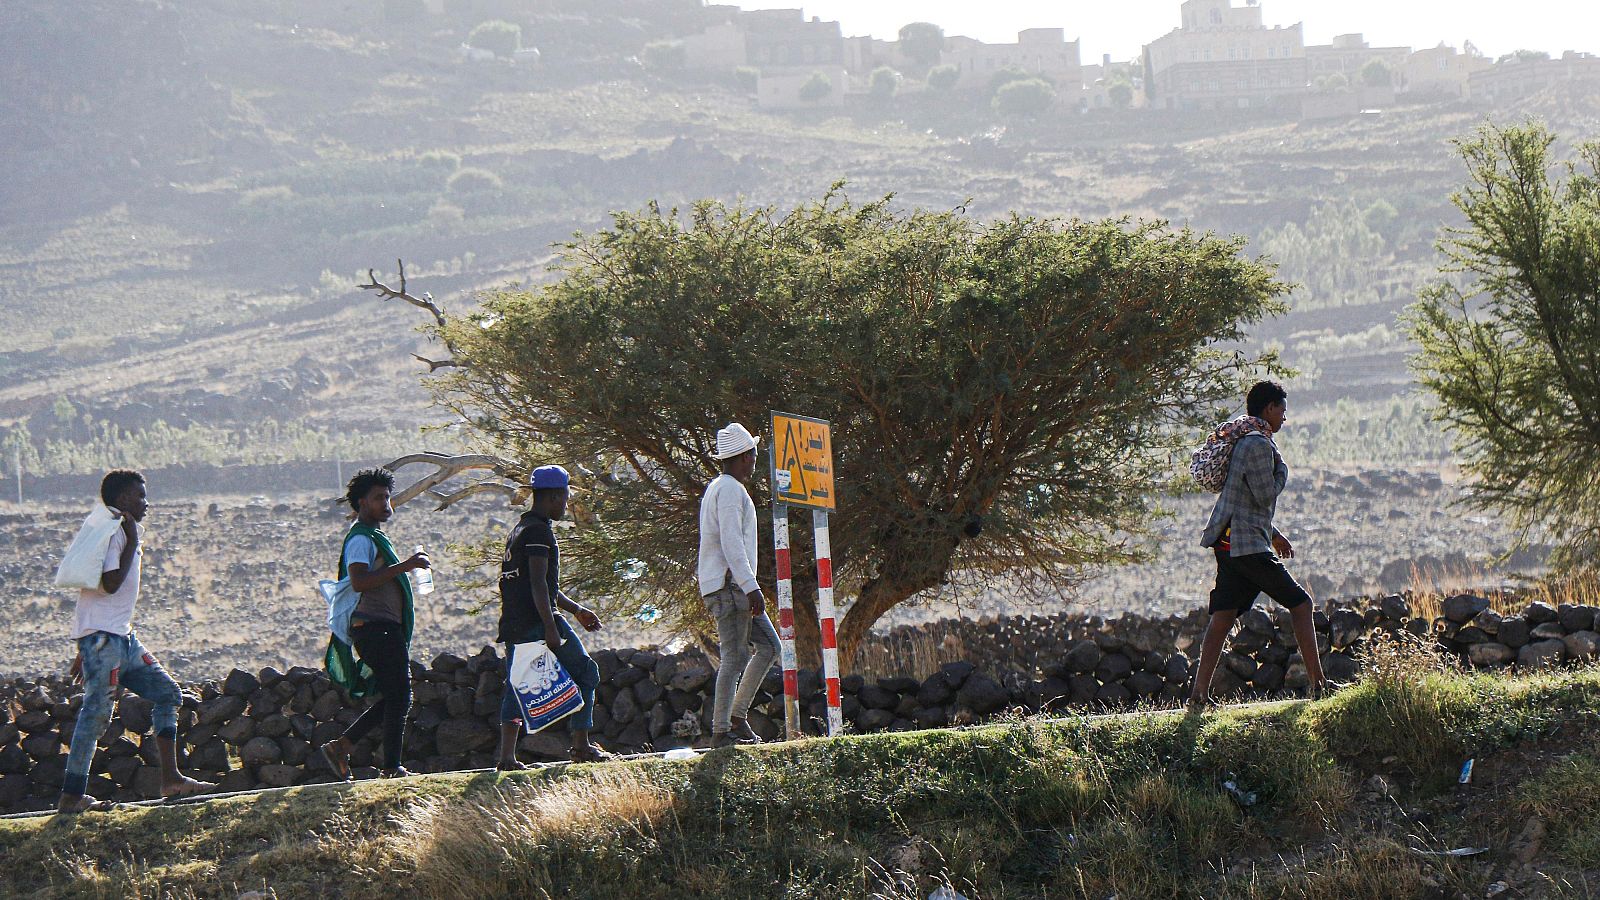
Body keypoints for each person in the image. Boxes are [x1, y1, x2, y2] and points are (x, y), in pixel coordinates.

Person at [59, 470, 215, 813]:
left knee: (168, 694)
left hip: (118, 639)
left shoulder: (115, 529)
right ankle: (72, 797)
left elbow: (92, 594)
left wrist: (82, 647)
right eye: (139, 496)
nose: (146, 503)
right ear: (121, 499)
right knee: (95, 714)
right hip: (105, 642)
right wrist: (130, 538)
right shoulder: (115, 532)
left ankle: (171, 779)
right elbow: (110, 583)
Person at [1189, 381, 1326, 713]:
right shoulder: (1259, 445)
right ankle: (1320, 687)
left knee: (1222, 617)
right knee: (1301, 603)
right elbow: (1265, 495)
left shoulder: (1243, 441)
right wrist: (1284, 473)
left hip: (1229, 543)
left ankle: (1198, 696)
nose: (1283, 418)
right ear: (1269, 408)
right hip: (1248, 547)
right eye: (1282, 411)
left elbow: (1244, 500)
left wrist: (1274, 533)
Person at [494, 465, 609, 767]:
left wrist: (577, 610)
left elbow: (542, 583)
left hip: (515, 621)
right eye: (566, 497)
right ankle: (581, 746)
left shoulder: (521, 528)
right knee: (587, 673)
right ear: (555, 497)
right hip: (536, 621)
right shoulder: (538, 532)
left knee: (518, 684)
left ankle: (507, 758)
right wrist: (551, 627)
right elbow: (536, 584)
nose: (567, 503)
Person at [319, 468, 430, 780]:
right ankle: (391, 767)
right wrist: (405, 566)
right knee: (401, 695)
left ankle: (343, 746)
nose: (386, 503)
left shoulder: (374, 536)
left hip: (383, 628)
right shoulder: (359, 539)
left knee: (396, 696)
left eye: (388, 496)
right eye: (378, 498)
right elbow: (359, 581)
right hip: (374, 628)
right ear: (361, 503)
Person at [698, 422, 780, 749]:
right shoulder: (730, 489)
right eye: (755, 453)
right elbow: (732, 542)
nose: (756, 459)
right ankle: (721, 731)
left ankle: (737, 716)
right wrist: (751, 586)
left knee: (771, 646)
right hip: (732, 587)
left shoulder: (717, 487)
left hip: (732, 586)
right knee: (734, 657)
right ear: (745, 456)